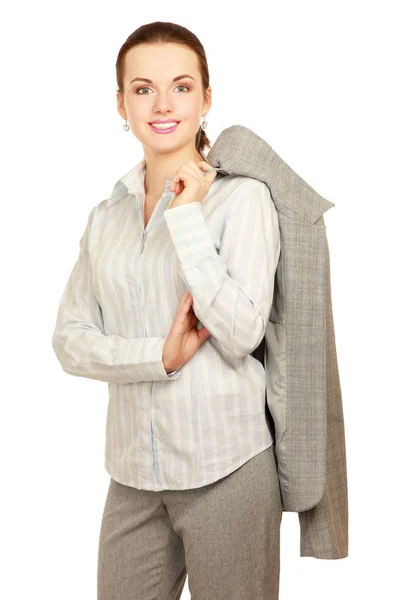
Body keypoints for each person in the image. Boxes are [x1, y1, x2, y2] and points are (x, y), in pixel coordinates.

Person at [51, 20, 282, 600]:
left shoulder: (243, 200)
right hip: (132, 477)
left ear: (207, 99)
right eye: (143, 88)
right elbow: (71, 339)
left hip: (227, 469)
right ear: (121, 104)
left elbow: (241, 330)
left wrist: (185, 218)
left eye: (181, 87)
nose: (162, 104)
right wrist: (160, 355)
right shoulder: (107, 216)